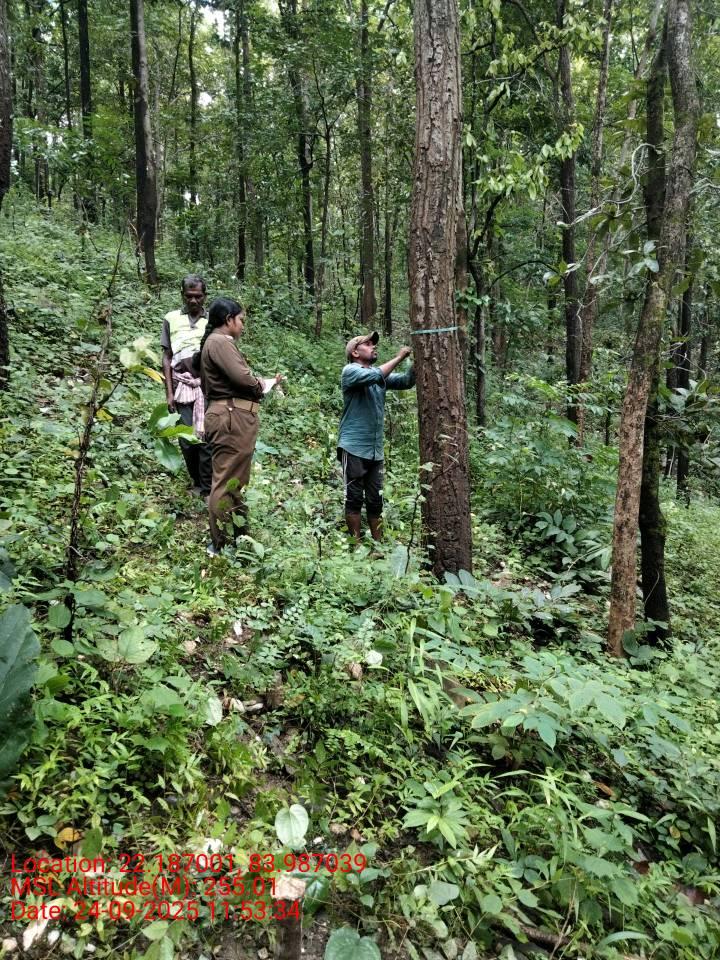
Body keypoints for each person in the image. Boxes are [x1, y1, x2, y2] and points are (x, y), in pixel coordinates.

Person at [197, 297, 283, 553]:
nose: (243, 325)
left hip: (232, 416)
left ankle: (239, 540)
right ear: (229, 320)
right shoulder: (220, 342)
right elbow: (243, 378)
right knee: (225, 482)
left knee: (234, 481)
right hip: (231, 417)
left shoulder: (216, 343)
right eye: (241, 320)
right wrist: (260, 384)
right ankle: (220, 545)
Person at [338, 331, 415, 542]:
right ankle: (355, 546)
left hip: (375, 451)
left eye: (374, 344)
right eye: (368, 344)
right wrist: (399, 357)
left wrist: (418, 360)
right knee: (353, 499)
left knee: (375, 500)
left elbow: (406, 381)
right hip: (353, 447)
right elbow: (375, 376)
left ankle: (377, 546)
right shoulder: (350, 371)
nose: (374, 346)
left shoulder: (379, 375)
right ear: (355, 352)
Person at [161, 274, 213, 496]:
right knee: (185, 437)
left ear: (204, 296)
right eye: (189, 296)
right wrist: (169, 393)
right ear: (182, 295)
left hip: (206, 386)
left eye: (198, 296)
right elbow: (166, 357)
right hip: (181, 385)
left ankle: (206, 487)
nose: (193, 301)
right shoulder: (171, 319)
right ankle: (196, 480)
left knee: (206, 437)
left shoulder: (212, 321)